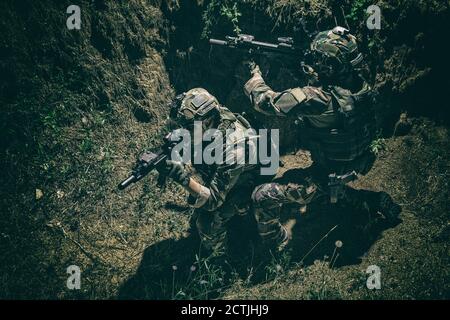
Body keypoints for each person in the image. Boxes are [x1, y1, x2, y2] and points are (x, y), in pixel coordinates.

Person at [243, 27, 401, 251]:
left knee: (261, 196)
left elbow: (265, 102)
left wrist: (254, 74)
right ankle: (367, 200)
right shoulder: (358, 84)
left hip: (326, 173)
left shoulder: (317, 98)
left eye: (319, 59)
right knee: (307, 181)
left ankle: (276, 244)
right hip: (355, 164)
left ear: (330, 64)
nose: (315, 63)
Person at [159, 87, 265, 258]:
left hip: (245, 184)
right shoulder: (212, 117)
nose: (182, 131)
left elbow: (213, 202)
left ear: (207, 122)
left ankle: (224, 258)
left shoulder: (234, 148)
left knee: (206, 223)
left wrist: (181, 177)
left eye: (187, 127)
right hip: (222, 171)